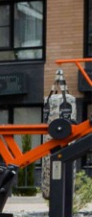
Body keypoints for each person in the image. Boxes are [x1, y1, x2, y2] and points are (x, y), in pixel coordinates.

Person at [40, 68, 74, 198]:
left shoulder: (65, 102)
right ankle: (50, 192)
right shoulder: (52, 102)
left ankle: (57, 193)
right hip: (55, 138)